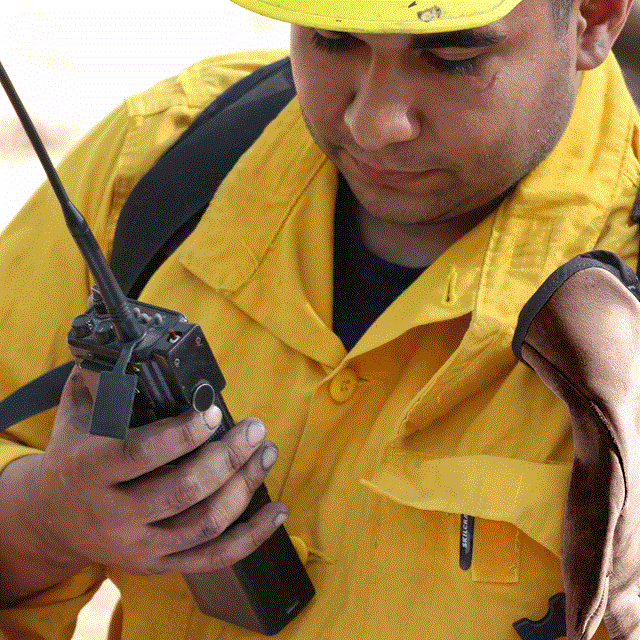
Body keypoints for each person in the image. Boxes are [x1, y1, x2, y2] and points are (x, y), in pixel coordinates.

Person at [0, 0, 638, 636]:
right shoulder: (161, 160)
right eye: (334, 39)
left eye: (452, 59)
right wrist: (44, 521)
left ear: (596, 17)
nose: (373, 121)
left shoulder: (623, 319)